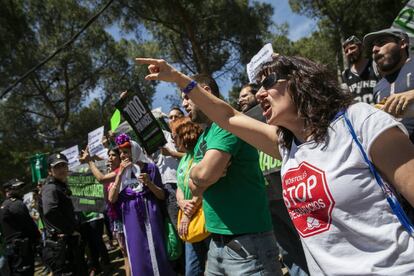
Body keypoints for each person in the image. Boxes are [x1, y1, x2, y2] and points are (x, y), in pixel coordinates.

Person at [136, 55, 414, 275]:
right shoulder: (287, 146)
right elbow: (229, 116)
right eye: (257, 88)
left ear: (301, 81)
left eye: (268, 82)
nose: (259, 94)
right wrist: (177, 79)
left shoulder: (359, 121)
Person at [167, 72, 282, 275]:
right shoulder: (204, 137)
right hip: (217, 244)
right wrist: (200, 175)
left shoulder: (227, 126)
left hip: (249, 245)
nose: (184, 104)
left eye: (186, 96)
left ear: (205, 92)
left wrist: (202, 176)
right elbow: (193, 185)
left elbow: (204, 177)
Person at [108, 134, 174, 276]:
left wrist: (149, 183)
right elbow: (112, 199)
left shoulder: (151, 168)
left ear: (135, 150)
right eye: (121, 152)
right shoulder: (120, 172)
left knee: (156, 247)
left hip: (151, 213)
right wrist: (119, 176)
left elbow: (162, 195)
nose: (123, 155)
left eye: (126, 151)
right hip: (130, 218)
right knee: (137, 250)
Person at [80, 146, 131, 276]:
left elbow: (101, 179)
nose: (110, 158)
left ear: (121, 158)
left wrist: (90, 161)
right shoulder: (113, 171)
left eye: (113, 155)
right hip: (115, 217)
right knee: (125, 252)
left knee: (128, 252)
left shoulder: (121, 171)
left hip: (125, 216)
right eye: (109, 156)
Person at [170, 117, 208, 276]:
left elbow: (204, 185)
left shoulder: (201, 152)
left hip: (206, 218)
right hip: (190, 221)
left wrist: (187, 213)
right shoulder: (184, 159)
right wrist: (180, 201)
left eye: (174, 136)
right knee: (192, 270)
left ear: (184, 135)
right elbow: (179, 185)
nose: (172, 140)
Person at [39, 153, 87, 275]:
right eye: (57, 167)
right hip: (61, 245)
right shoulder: (51, 188)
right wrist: (70, 230)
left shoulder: (60, 186)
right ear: (50, 171)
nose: (61, 169)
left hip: (68, 243)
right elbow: (50, 211)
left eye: (63, 165)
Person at [364, 28, 414, 142]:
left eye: (381, 43)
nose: (375, 49)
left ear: (402, 44)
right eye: (373, 47)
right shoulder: (378, 87)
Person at [0, 178, 40, 275]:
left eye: (20, 187)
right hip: (21, 248)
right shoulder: (16, 204)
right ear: (8, 190)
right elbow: (29, 224)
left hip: (12, 247)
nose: (19, 190)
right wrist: (37, 239)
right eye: (16, 188)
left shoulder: (4, 205)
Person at [341, 35, 380, 104]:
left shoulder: (375, 64)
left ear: (361, 47)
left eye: (352, 48)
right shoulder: (345, 75)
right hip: (360, 114)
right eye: (346, 51)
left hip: (380, 112)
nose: (349, 52)